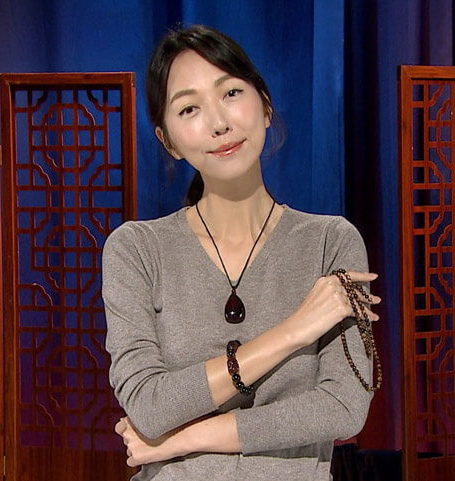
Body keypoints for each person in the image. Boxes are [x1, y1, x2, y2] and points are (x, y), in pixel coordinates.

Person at [103, 24, 379, 480]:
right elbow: (149, 407)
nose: (219, 123)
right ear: (168, 140)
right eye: (189, 108)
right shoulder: (136, 249)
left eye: (231, 93)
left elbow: (343, 407)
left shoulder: (331, 241)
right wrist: (292, 332)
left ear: (265, 106)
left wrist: (184, 438)